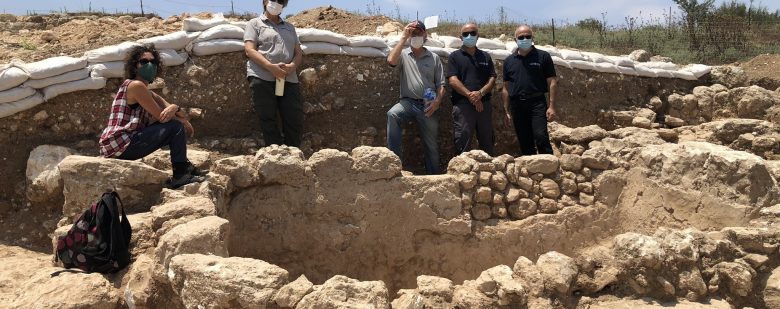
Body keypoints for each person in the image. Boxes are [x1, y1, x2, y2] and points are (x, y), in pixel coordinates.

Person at [98, 44, 205, 189]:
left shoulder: (147, 91)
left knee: (175, 125)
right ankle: (180, 174)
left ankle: (184, 167)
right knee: (175, 127)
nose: (149, 65)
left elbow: (172, 110)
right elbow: (163, 117)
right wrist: (180, 117)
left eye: (153, 62)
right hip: (121, 144)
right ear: (135, 66)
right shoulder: (135, 86)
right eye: (144, 61)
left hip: (123, 144)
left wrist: (176, 109)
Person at [386, 21, 446, 174]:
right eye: (413, 34)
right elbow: (391, 61)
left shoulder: (433, 58)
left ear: (425, 35)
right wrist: (403, 38)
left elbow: (441, 85)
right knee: (393, 114)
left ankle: (433, 176)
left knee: (431, 143)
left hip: (428, 99)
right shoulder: (404, 54)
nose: (416, 36)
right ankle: (395, 166)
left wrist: (437, 102)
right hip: (408, 100)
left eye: (419, 33)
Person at [244, 0, 304, 147]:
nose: (277, 3)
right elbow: (249, 50)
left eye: (281, 1)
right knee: (268, 116)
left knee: (293, 116)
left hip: (287, 77)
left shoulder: (290, 27)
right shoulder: (254, 23)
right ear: (265, 2)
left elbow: (298, 53)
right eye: (274, 0)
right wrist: (271, 67)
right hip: (262, 76)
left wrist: (292, 66)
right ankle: (275, 153)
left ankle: (294, 153)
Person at [502, 25, 558, 155]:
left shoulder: (543, 56)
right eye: (521, 37)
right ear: (515, 39)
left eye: (528, 36)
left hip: (537, 103)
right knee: (524, 139)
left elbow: (552, 82)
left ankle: (549, 168)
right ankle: (531, 170)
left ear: (532, 38)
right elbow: (506, 87)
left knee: (540, 136)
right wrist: (506, 110)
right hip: (517, 105)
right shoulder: (509, 61)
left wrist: (552, 106)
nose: (525, 39)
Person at [447, 23, 497, 156]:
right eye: (466, 34)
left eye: (473, 33)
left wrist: (480, 94)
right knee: (463, 137)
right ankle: (462, 172)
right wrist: (471, 96)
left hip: (484, 105)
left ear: (478, 36)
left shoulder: (485, 57)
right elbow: (452, 80)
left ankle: (489, 172)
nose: (469, 36)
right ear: (461, 37)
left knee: (487, 139)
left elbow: (492, 78)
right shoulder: (454, 57)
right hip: (463, 105)